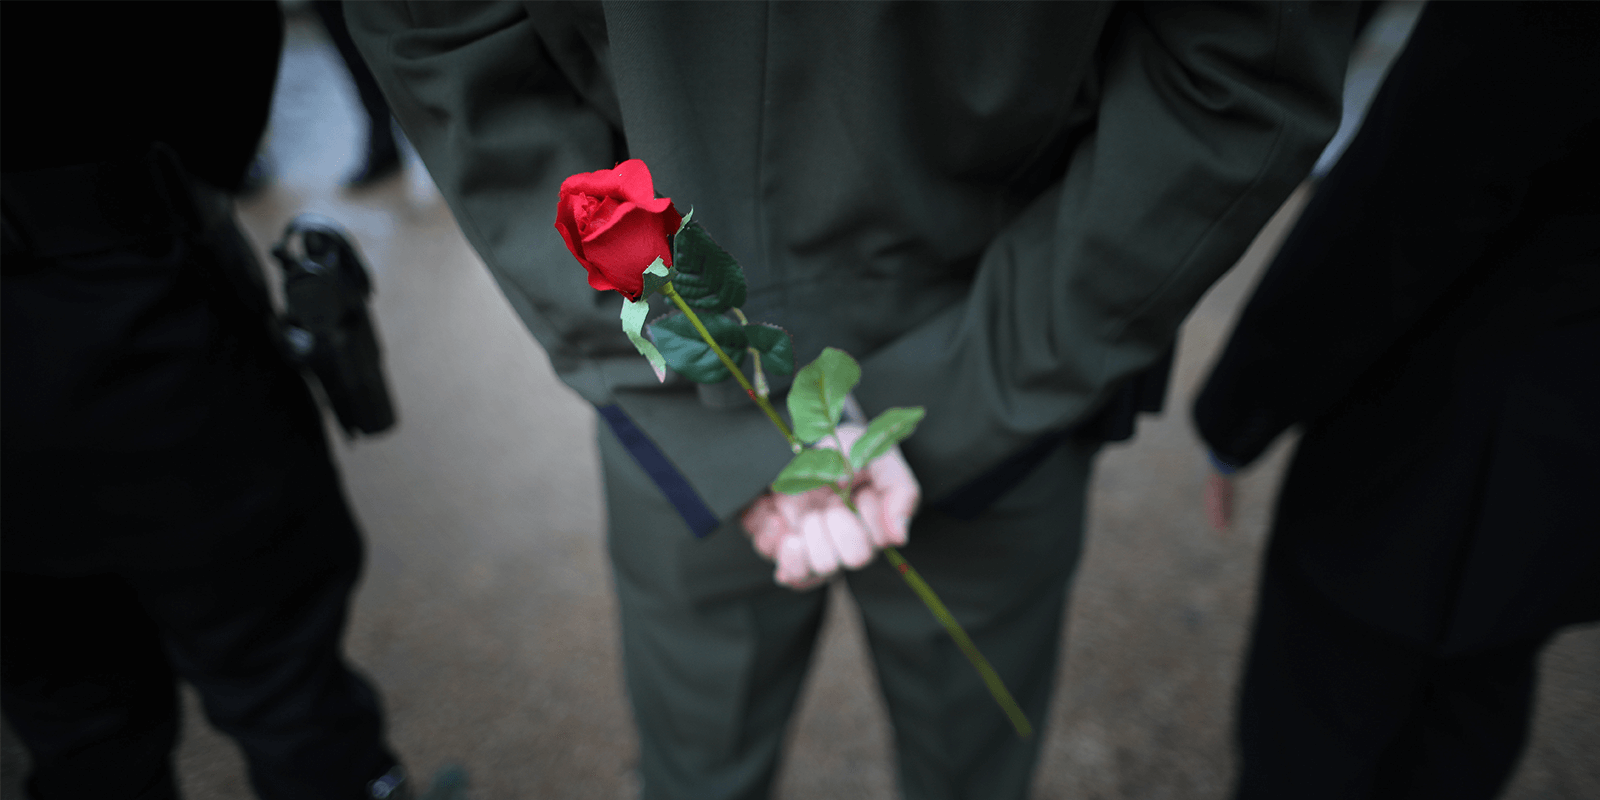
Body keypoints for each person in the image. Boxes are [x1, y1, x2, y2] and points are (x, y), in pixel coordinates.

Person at [348, 3, 1354, 798]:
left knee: (731, 758)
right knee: (906, 760)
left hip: (761, 393)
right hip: (987, 358)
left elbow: (444, 44)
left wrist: (759, 418)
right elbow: (1244, 73)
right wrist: (983, 380)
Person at [0, 4, 457, 798]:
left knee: (72, 719)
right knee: (282, 684)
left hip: (121, 303)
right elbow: (226, 63)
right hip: (136, 305)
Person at [1191, 4, 1600, 798]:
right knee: (1474, 704)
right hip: (1570, 477)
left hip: (1430, 450)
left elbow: (1403, 202)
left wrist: (1242, 412)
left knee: (1320, 732)